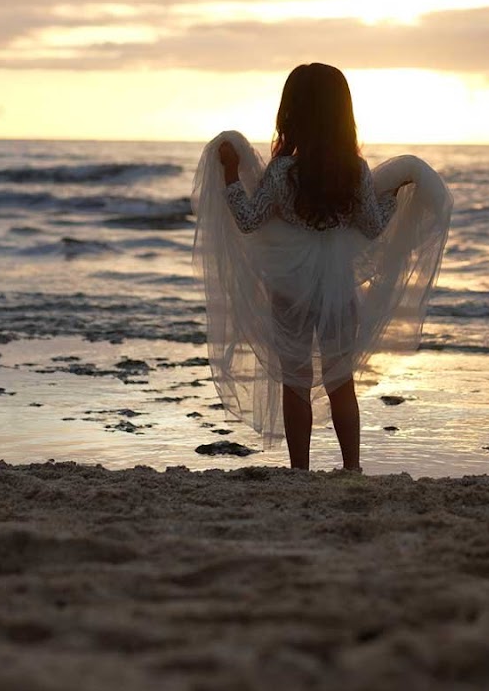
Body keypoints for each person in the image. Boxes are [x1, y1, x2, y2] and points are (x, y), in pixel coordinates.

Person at [191, 63, 453, 472]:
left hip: (290, 288)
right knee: (340, 381)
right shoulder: (354, 170)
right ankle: (352, 468)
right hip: (338, 289)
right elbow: (371, 225)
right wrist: (394, 196)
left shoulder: (281, 172)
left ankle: (301, 472)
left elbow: (247, 218)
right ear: (342, 114)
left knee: (294, 382)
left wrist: (229, 175)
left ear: (291, 112)